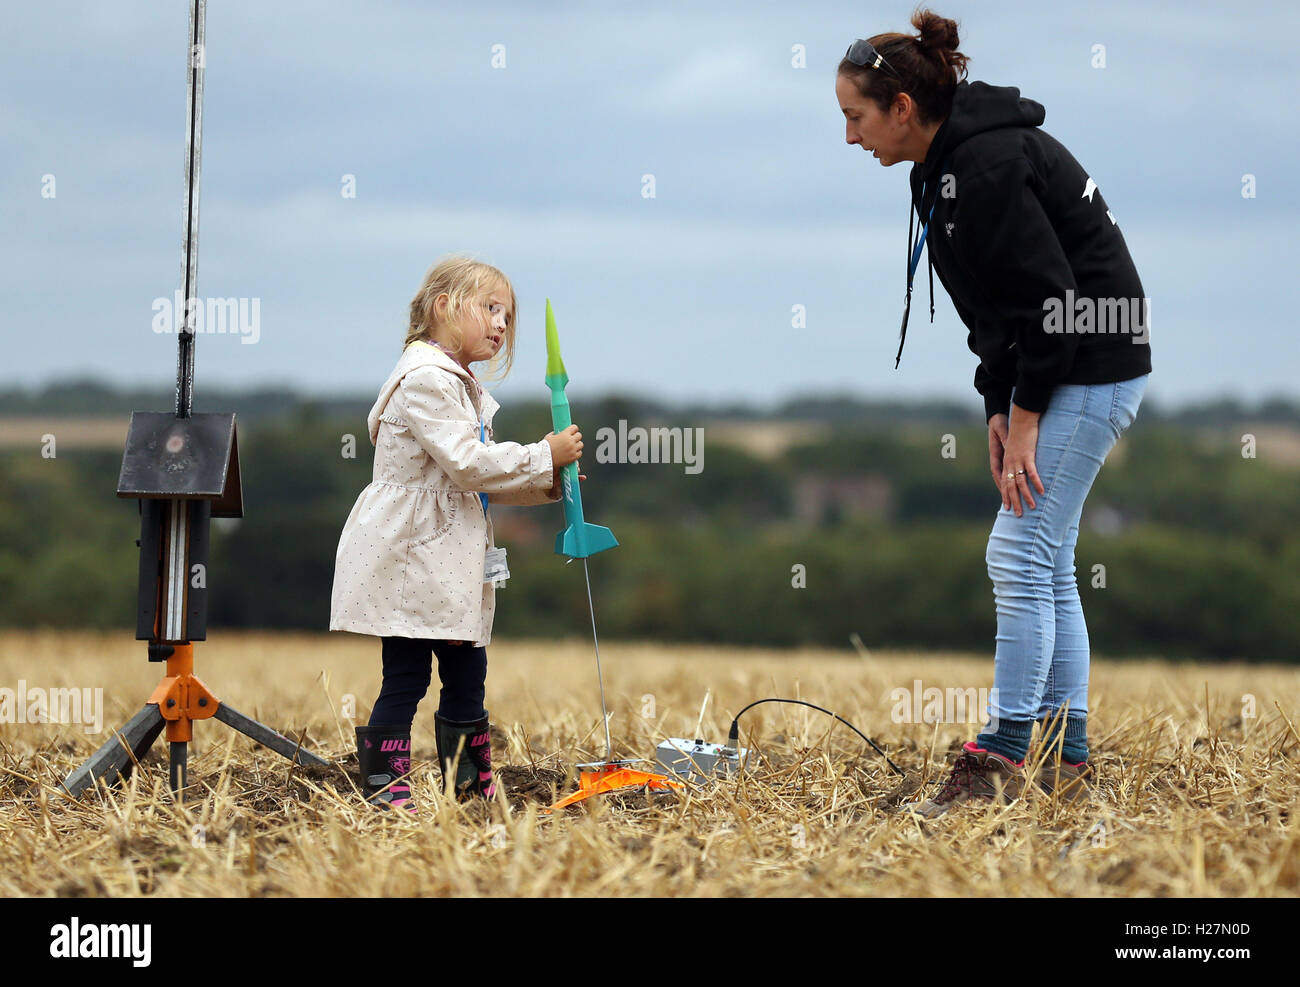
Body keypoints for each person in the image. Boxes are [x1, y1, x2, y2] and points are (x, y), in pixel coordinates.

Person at [836, 9, 1152, 817]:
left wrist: (1031, 412)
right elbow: (991, 304)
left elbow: (1053, 301)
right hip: (1065, 366)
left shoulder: (984, 166)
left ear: (902, 107)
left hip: (1090, 359)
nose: (849, 138)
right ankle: (1064, 759)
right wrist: (995, 403)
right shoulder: (939, 167)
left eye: (855, 117)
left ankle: (1001, 753)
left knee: (1017, 554)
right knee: (1044, 558)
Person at [329, 255, 583, 811]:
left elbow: (472, 483)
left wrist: (547, 480)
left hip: (449, 557)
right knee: (407, 677)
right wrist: (543, 452)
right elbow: (469, 465)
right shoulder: (424, 380)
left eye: (507, 316)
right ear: (443, 306)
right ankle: (385, 788)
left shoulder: (453, 383)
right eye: (490, 308)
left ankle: (467, 786)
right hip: (413, 557)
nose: (501, 324)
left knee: (468, 674)